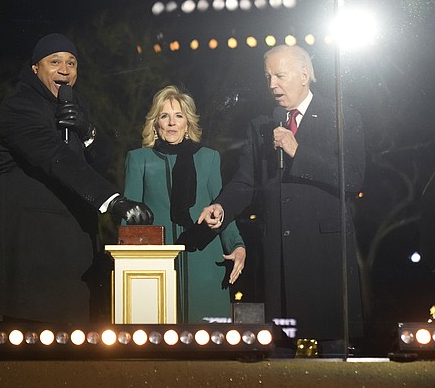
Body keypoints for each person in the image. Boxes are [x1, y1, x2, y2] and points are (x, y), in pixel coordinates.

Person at [198, 44, 366, 354]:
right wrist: (222, 205)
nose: (272, 85)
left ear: (304, 75)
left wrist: (297, 151)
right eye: (267, 77)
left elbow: (353, 178)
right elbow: (246, 181)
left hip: (323, 257)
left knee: (331, 353)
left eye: (279, 75)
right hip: (279, 256)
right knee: (279, 350)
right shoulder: (263, 123)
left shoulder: (340, 115)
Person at [0, 33, 154, 324]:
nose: (64, 69)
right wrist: (113, 201)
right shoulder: (18, 106)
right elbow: (56, 158)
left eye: (71, 62)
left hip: (77, 254)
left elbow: (99, 163)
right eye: (54, 62)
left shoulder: (77, 106)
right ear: (35, 69)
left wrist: (87, 131)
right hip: (37, 255)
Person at [123, 85, 246, 323]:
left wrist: (238, 245)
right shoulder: (139, 159)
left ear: (188, 123)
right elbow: (128, 220)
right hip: (154, 266)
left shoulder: (209, 158)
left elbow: (222, 208)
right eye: (164, 116)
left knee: (208, 341)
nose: (172, 122)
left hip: (205, 262)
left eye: (178, 116)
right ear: (155, 123)